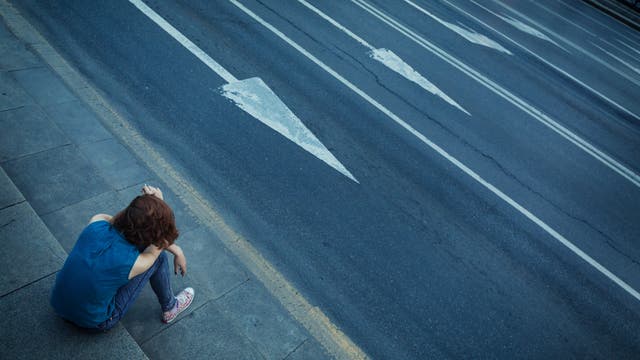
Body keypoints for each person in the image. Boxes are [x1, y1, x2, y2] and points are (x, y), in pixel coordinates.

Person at [50, 185, 194, 332]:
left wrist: (144, 206)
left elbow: (121, 221)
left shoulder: (97, 221)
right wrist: (178, 250)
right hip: (95, 322)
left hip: (58, 303)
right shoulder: (133, 263)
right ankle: (170, 307)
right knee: (159, 257)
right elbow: (157, 245)